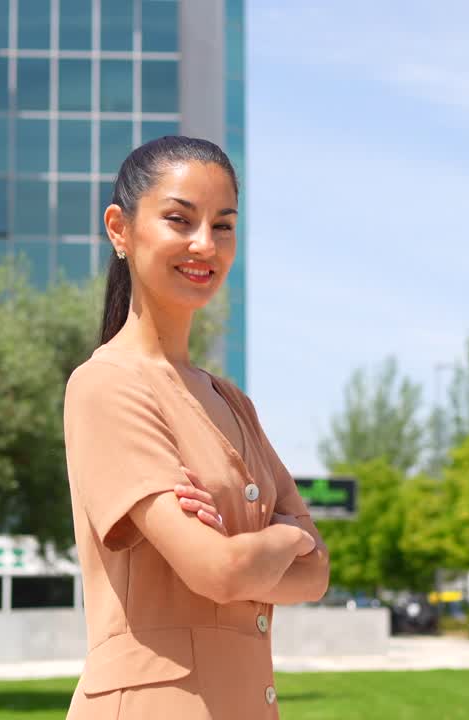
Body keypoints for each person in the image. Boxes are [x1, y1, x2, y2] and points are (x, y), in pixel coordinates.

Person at [63, 136, 330, 719]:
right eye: (180, 220)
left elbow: (316, 576)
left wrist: (250, 552)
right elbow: (217, 571)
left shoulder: (233, 403)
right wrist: (288, 537)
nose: (205, 244)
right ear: (120, 229)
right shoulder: (106, 385)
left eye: (223, 225)